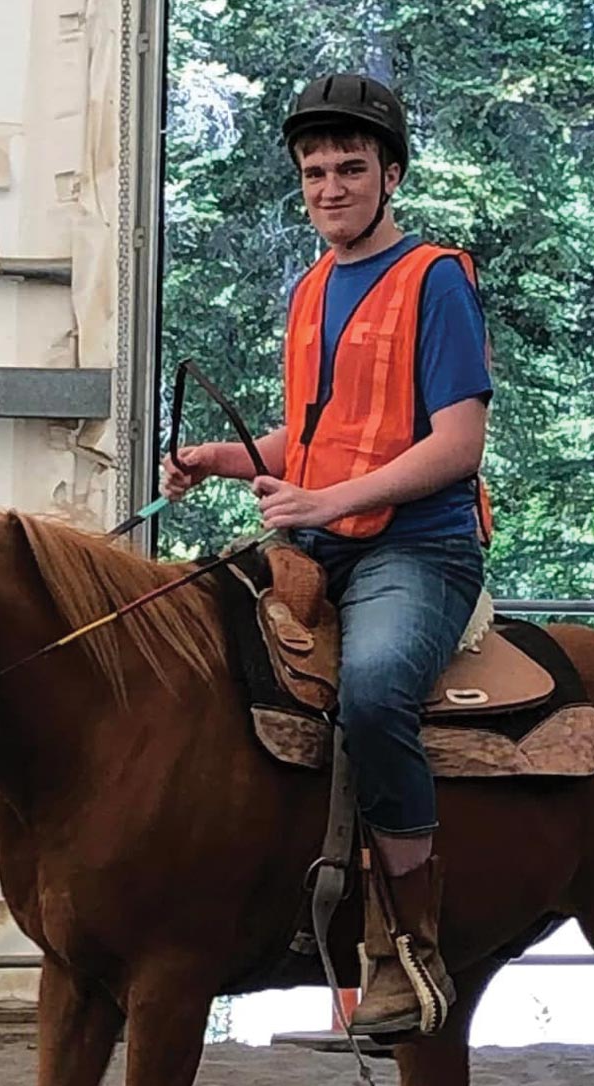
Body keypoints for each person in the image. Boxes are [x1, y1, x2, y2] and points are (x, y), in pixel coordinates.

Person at [163, 73, 492, 1035]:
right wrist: (228, 460)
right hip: (317, 539)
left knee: (377, 689)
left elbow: (455, 443)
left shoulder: (436, 278)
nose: (330, 185)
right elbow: (313, 439)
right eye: (315, 170)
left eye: (351, 167)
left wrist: (325, 500)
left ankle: (409, 944)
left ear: (390, 174)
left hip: (418, 550)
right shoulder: (311, 288)